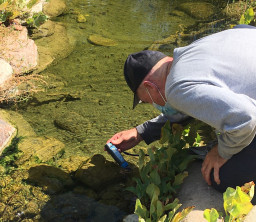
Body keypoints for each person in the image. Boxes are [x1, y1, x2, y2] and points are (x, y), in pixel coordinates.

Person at [106, 24, 256, 194]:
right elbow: (194, 106)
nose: (152, 105)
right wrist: (141, 132)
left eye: (145, 101)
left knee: (221, 176)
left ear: (149, 86)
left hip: (250, 115)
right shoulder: (193, 51)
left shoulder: (176, 88)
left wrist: (221, 153)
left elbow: (246, 118)